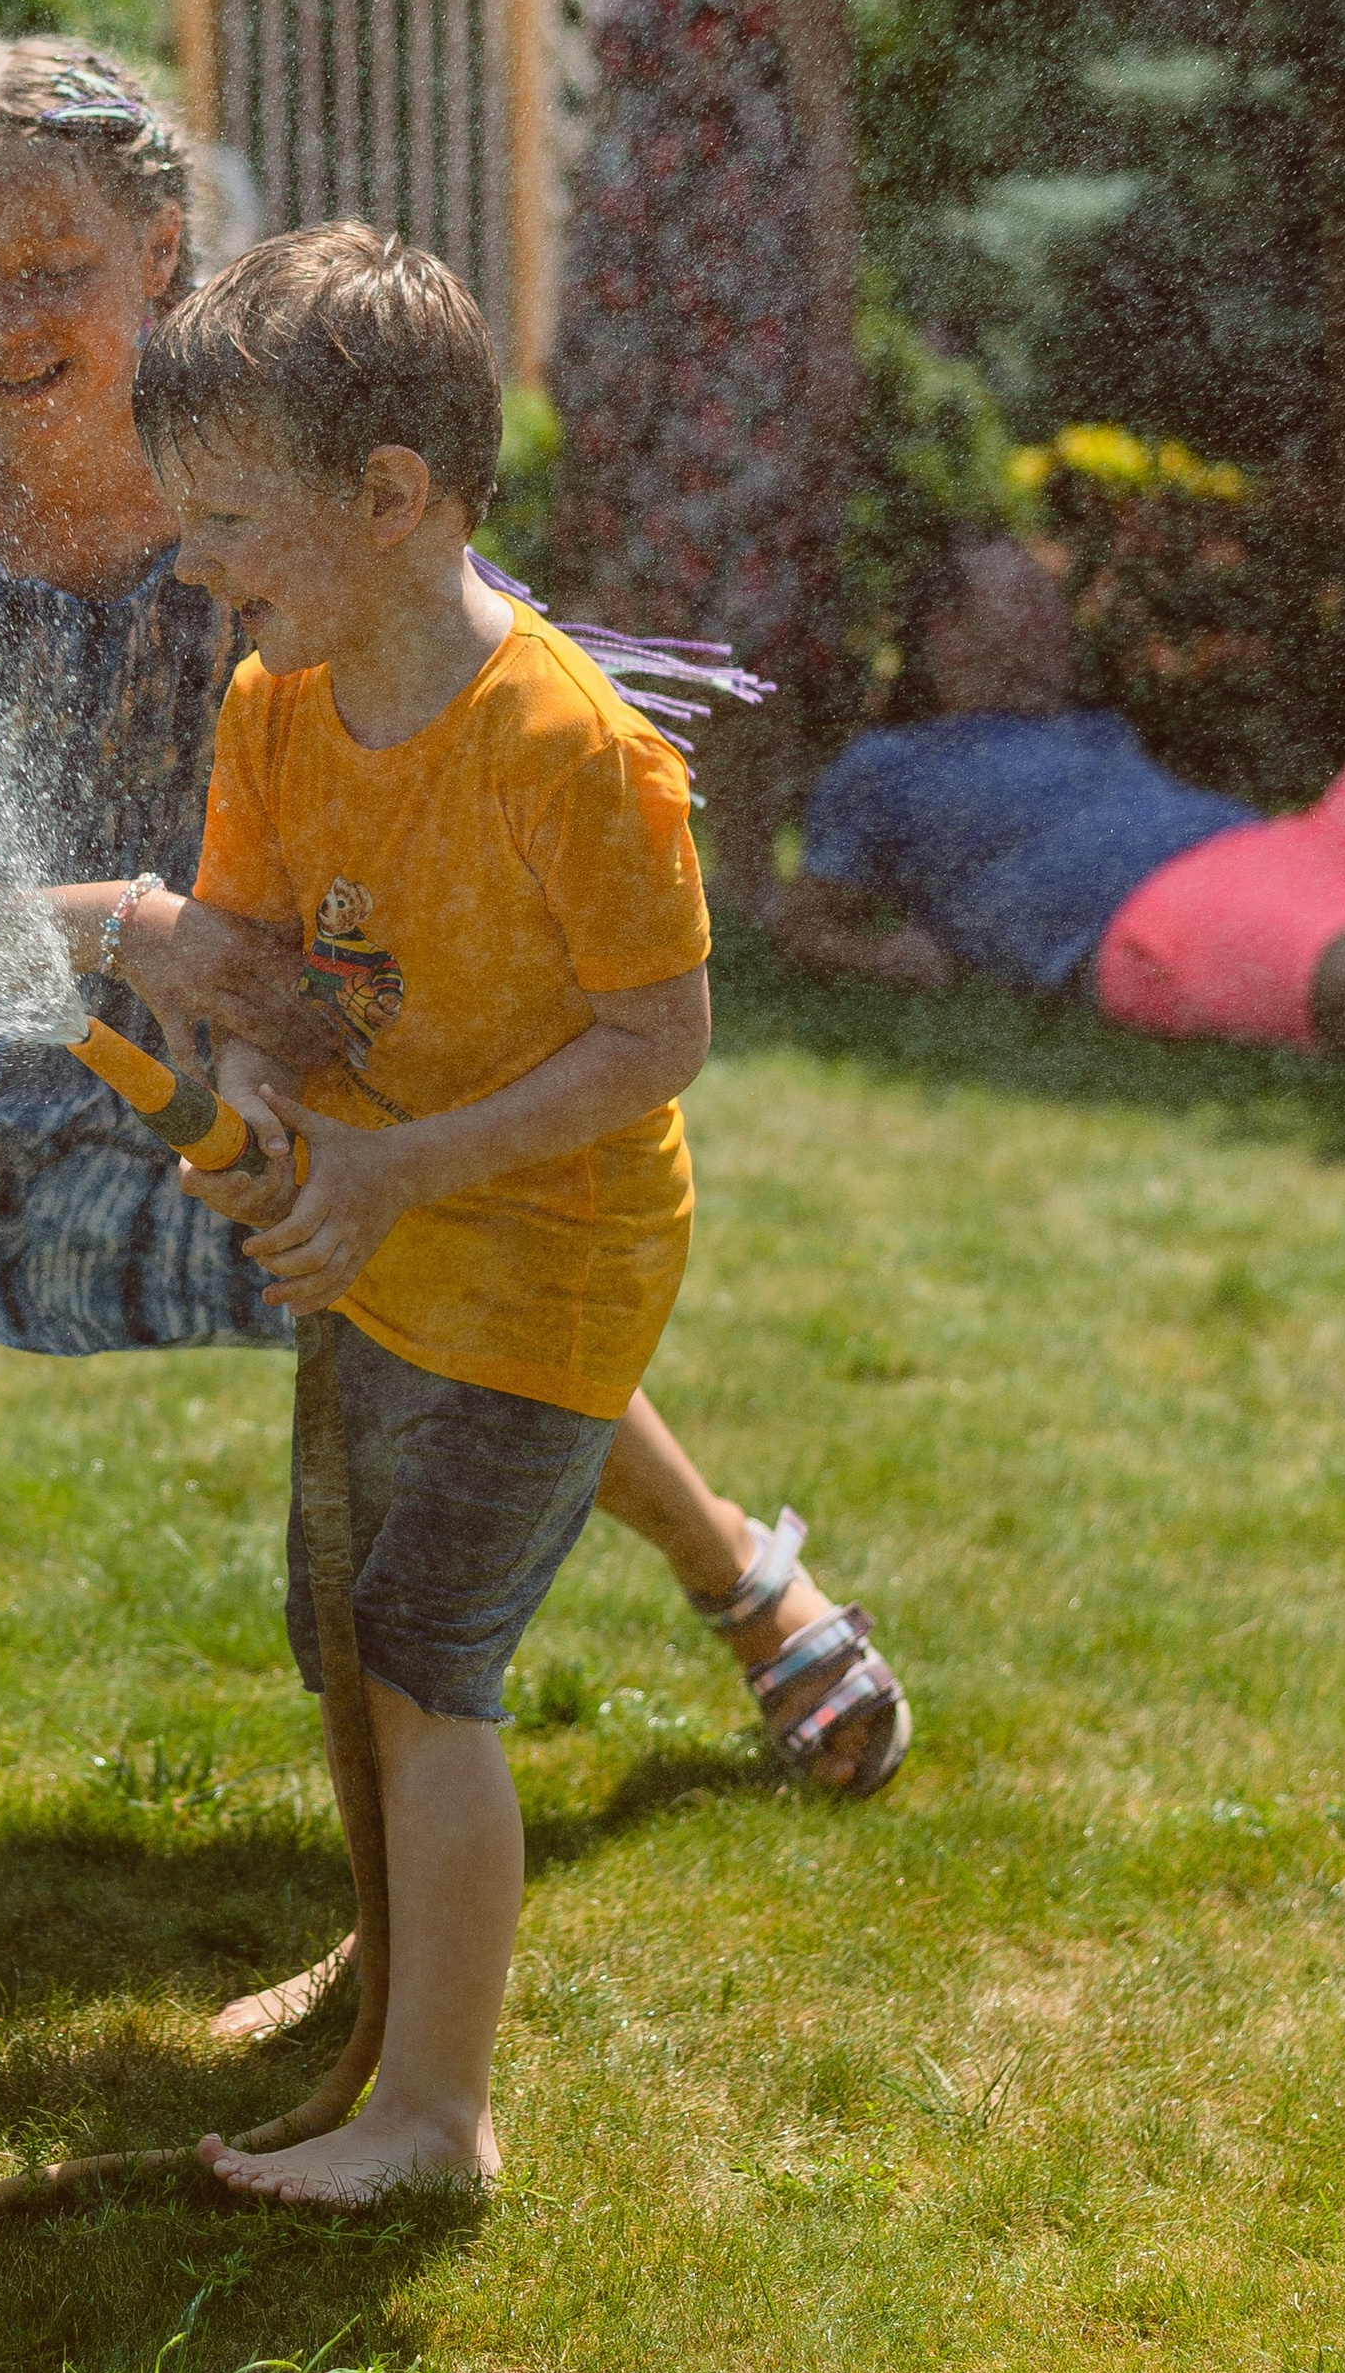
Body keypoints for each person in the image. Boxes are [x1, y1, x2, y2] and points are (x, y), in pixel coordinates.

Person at [0, 42, 910, 1947]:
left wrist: (297, 994)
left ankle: (741, 1574)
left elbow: (450, 706)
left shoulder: (276, 475)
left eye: (54, 269)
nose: (6, 321)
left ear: (163, 246)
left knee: (440, 1266)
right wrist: (138, 920)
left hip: (258, 948)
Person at [138, 226, 876, 2208]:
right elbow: (269, 966)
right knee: (334, 1622)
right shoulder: (276, 702)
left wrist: (393, 1167)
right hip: (379, 1232)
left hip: (549, 1259)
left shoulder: (571, 752)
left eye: (224, 521)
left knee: (420, 1644)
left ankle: (435, 2118)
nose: (191, 561)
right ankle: (394, 1967)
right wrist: (271, 1109)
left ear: (389, 502)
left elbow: (658, 1039)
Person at [550, 0, 859, 913]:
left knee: (746, 577)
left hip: (746, 298)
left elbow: (831, 139)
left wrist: (832, 331)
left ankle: (744, 873)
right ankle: (643, 851)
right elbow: (609, 119)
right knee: (629, 562)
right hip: (629, 290)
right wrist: (571, 305)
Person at [777, 533, 1345, 1077]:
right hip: (1163, 921)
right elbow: (803, 922)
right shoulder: (886, 766)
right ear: (948, 634)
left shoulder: (1088, 727)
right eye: (1025, 599)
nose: (1055, 614)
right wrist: (879, 958)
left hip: (1283, 848)